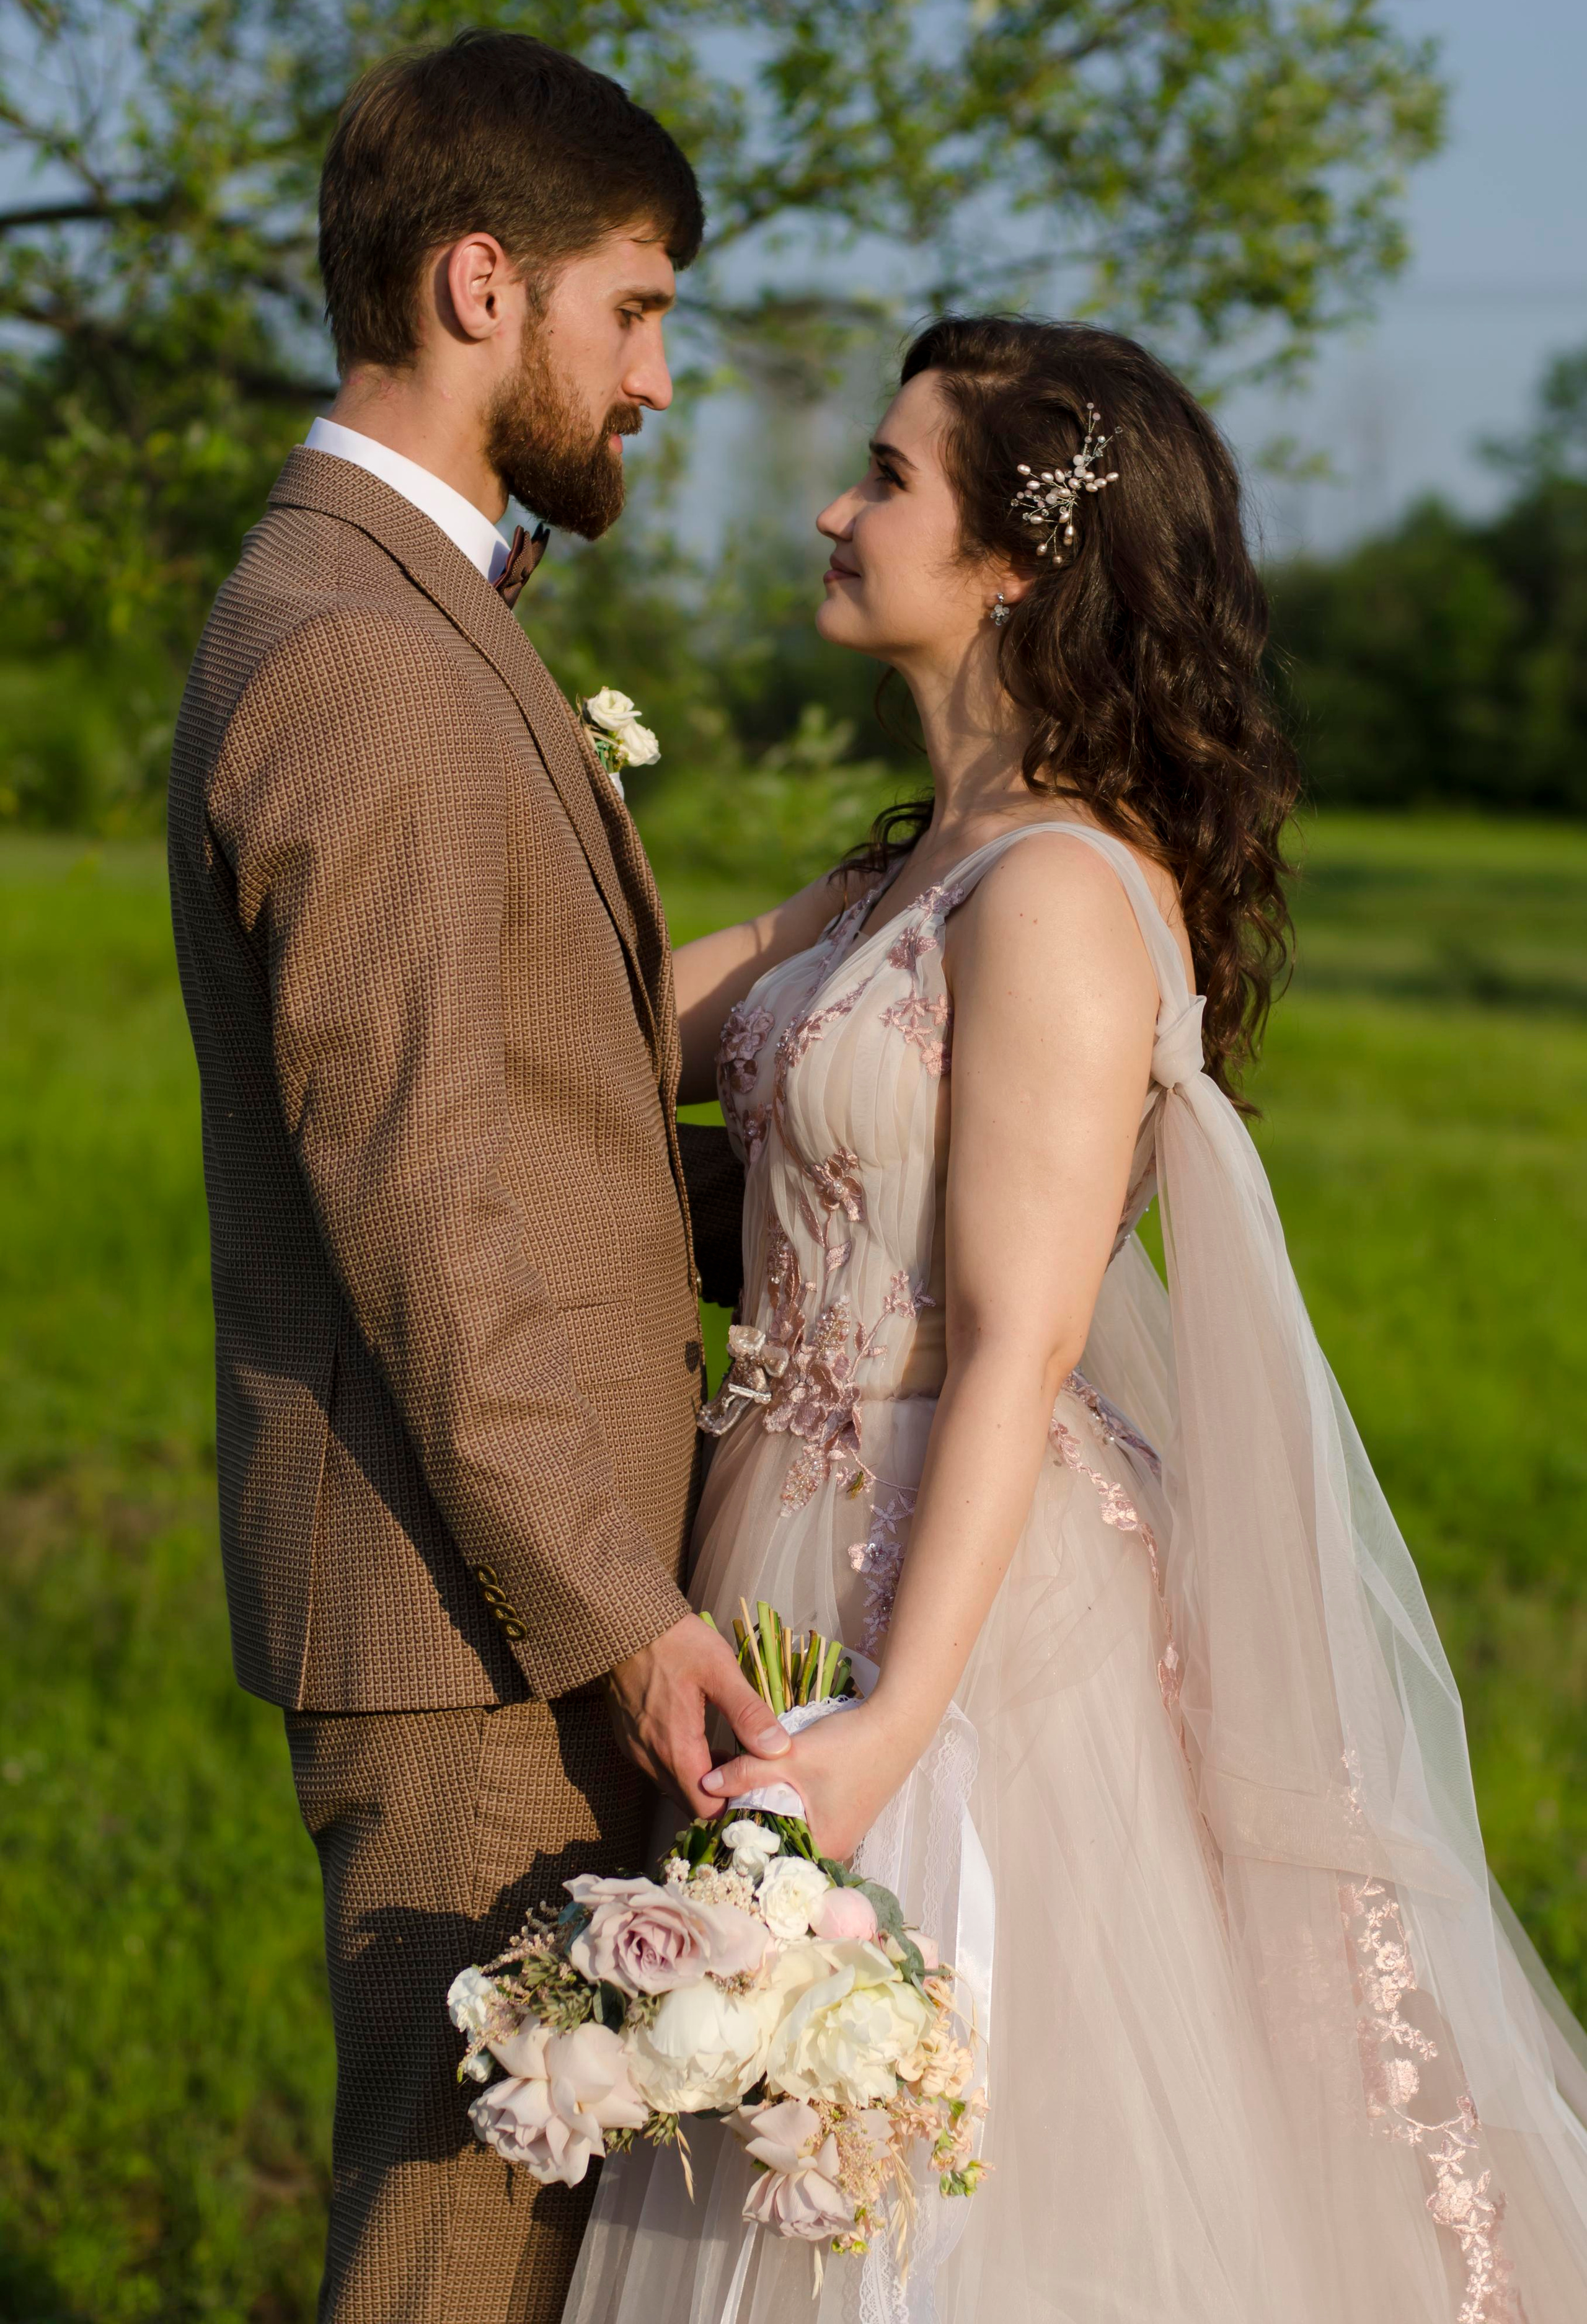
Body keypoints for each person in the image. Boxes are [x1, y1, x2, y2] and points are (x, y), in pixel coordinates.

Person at [560, 316, 1587, 2324]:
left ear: (1014, 559)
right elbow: (616, 1040)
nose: (834, 510)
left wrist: (890, 1731)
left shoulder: (1052, 889)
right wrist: (537, 794)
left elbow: (1024, 1333)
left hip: (959, 1591)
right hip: (769, 1530)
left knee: (931, 2158)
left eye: (885, 477)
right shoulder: (910, 863)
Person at [167, 30, 790, 2324]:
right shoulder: (354, 656)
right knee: (456, 2256)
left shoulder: (418, 618)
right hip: (467, 1631)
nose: (657, 383)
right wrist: (624, 1615)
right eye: (635, 312)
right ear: (477, 285)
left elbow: (544, 1116)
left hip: (503, 1593)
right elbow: (429, 1216)